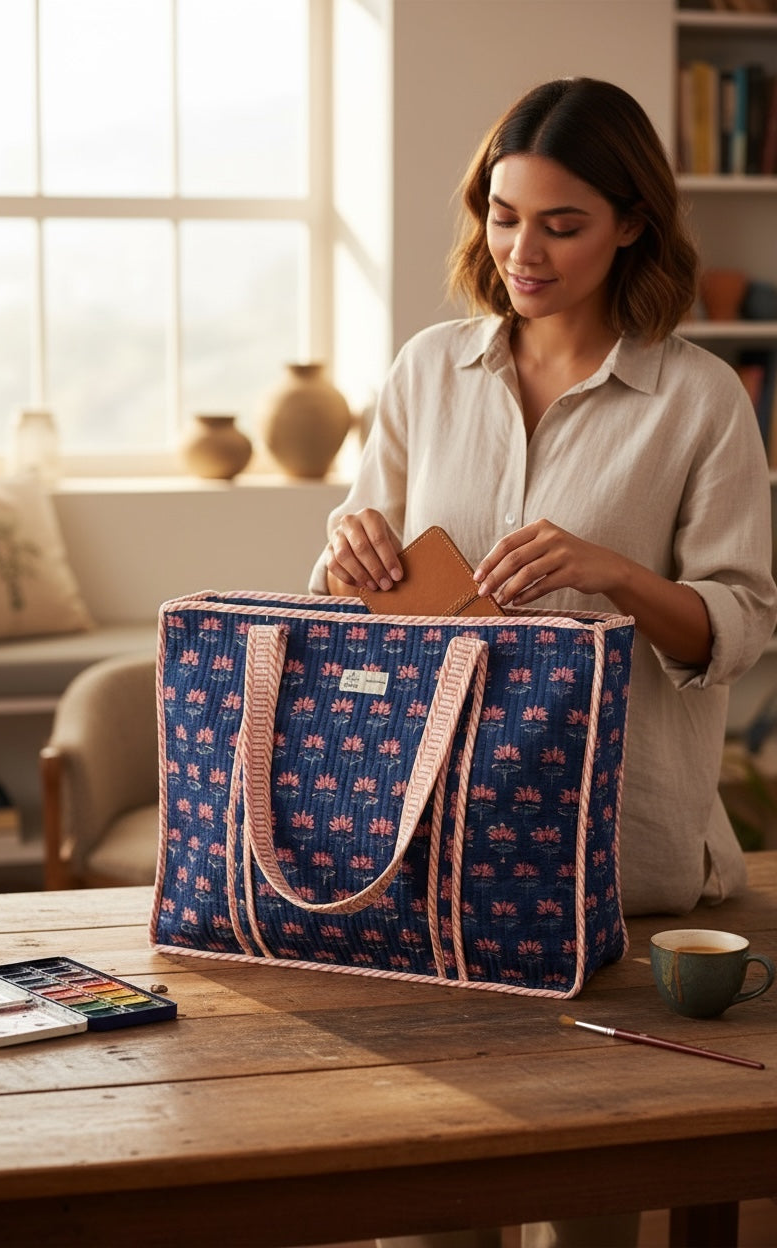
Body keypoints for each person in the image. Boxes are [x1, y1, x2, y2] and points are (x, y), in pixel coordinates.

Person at [307, 77, 777, 1248]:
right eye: (503, 215)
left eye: (562, 224)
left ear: (632, 223)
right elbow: (367, 608)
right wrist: (340, 556)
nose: (521, 250)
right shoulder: (426, 370)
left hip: (613, 865)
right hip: (428, 847)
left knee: (589, 1208)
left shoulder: (701, 398)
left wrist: (612, 572)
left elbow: (742, 624)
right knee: (423, 1185)